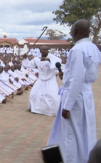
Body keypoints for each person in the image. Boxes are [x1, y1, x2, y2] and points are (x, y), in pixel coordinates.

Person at [48, 19, 101, 163]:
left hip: (75, 95)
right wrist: (67, 77)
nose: (71, 33)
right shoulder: (94, 48)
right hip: (86, 93)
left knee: (70, 133)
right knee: (85, 130)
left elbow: (77, 78)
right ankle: (85, 157)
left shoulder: (77, 49)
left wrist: (68, 106)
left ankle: (71, 159)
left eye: (71, 31)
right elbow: (86, 75)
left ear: (75, 31)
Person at [25, 46, 60, 116]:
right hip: (40, 80)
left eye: (47, 49)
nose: (46, 51)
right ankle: (33, 108)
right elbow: (28, 65)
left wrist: (48, 60)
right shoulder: (37, 59)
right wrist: (24, 58)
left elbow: (58, 62)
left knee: (53, 97)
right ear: (40, 51)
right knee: (33, 94)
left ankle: (53, 111)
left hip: (50, 80)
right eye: (44, 49)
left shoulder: (52, 57)